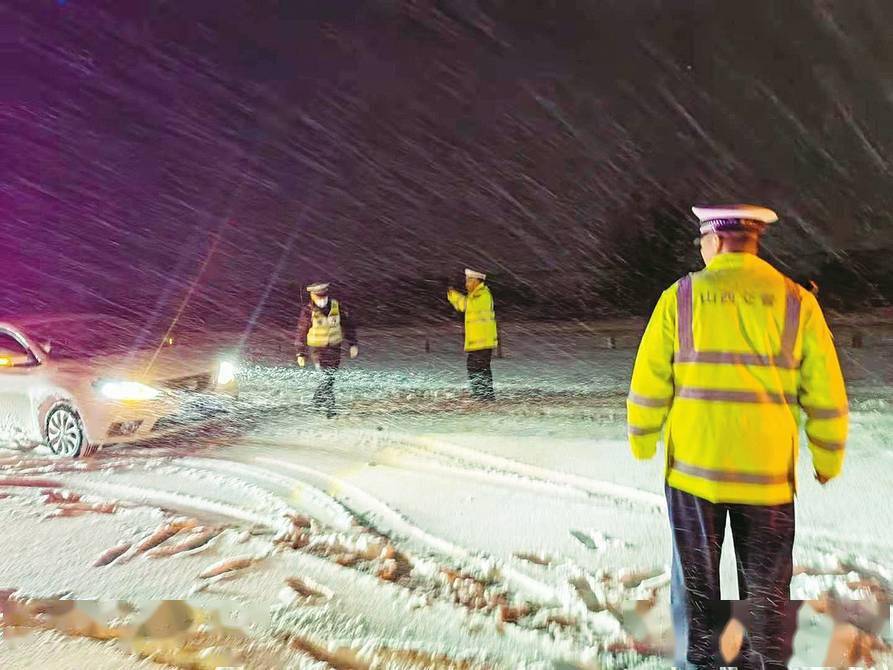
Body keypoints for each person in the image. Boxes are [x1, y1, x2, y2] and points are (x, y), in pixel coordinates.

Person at [626, 204, 849, 670]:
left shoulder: (680, 298)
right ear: (752, 241)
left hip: (694, 476)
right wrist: (827, 456)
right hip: (766, 479)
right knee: (765, 591)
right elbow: (826, 391)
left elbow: (649, 383)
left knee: (696, 586)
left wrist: (643, 437)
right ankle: (759, 661)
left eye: (702, 242)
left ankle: (701, 662)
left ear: (715, 241)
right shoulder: (795, 301)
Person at [295, 282, 358, 417]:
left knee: (330, 378)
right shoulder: (308, 311)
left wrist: (353, 344)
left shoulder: (337, 306)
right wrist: (301, 353)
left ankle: (316, 402)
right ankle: (331, 409)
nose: (322, 299)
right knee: (326, 378)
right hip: (317, 350)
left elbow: (348, 325)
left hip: (335, 347)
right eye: (319, 296)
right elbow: (301, 332)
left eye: (324, 295)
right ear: (312, 296)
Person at [447, 268, 498, 401]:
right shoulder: (476, 295)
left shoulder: (483, 294)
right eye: (467, 280)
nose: (466, 283)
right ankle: (481, 395)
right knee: (477, 368)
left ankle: (484, 396)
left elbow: (466, 305)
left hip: (482, 342)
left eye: (470, 280)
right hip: (478, 342)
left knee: (479, 368)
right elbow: (465, 305)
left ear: (477, 281)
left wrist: (453, 295)